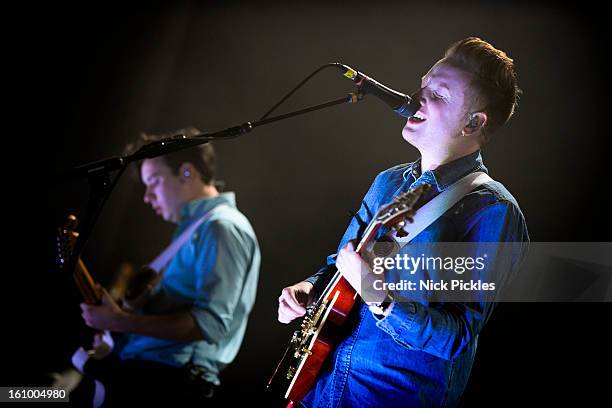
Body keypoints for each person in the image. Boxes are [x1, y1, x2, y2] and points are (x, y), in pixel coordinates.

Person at [277, 37, 529, 407]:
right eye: (424, 83)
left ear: (473, 122)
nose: (417, 96)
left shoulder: (492, 210)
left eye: (438, 94)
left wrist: (379, 297)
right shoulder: (388, 183)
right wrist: (309, 288)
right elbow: (340, 268)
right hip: (323, 387)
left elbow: (457, 337)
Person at [76, 128, 261, 405]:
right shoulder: (195, 230)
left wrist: (119, 321)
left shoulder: (222, 227)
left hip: (169, 381)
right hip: (149, 373)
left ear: (187, 172)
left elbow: (208, 324)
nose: (147, 197)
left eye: (154, 182)